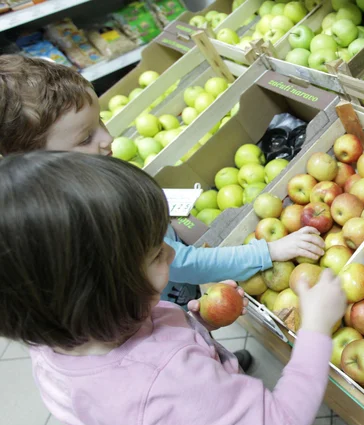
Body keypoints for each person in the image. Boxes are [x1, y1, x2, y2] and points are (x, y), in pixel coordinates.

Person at [0, 55, 326, 370]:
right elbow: (181, 262)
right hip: (158, 321)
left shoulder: (85, 188)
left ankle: (217, 358)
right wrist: (266, 251)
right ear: (36, 162)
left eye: (100, 121)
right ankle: (214, 365)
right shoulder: (96, 224)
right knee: (191, 350)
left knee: (196, 334)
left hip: (171, 312)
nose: (108, 138)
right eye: (86, 137)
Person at [0, 152, 347, 425]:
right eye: (156, 254)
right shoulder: (169, 385)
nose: (172, 254)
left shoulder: (55, 342)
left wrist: (192, 328)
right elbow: (279, 424)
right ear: (104, 294)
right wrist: (315, 329)